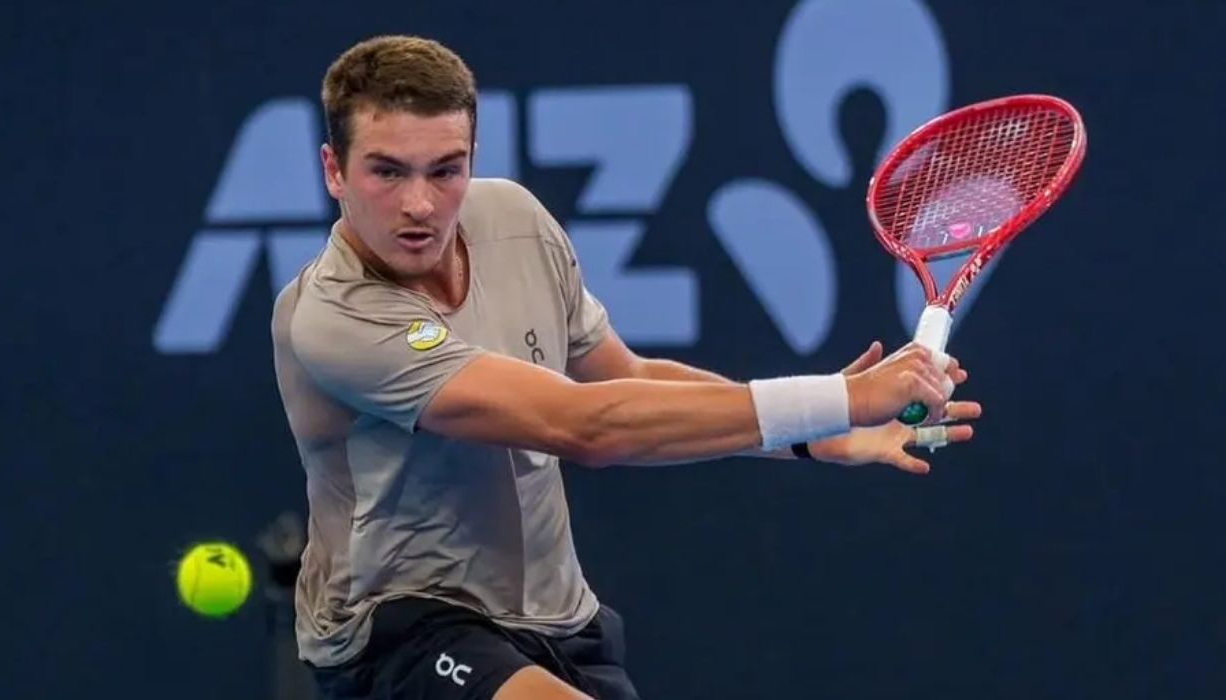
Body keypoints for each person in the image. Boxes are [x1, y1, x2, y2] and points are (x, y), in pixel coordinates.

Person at [271, 34, 981, 700]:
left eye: (445, 169)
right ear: (334, 170)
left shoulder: (513, 218)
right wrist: (841, 396)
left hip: (557, 615)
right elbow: (587, 426)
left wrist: (817, 430)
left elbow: (623, 379)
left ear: (472, 157)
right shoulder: (334, 317)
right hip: (398, 626)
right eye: (386, 172)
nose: (419, 204)